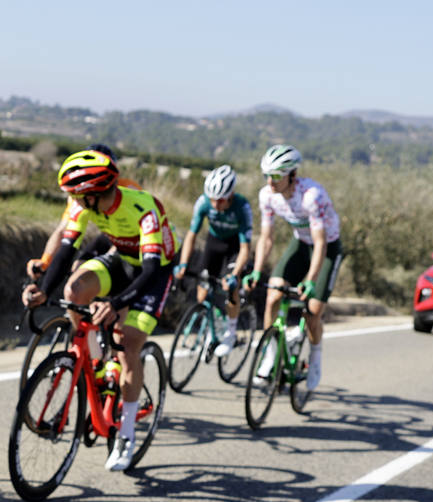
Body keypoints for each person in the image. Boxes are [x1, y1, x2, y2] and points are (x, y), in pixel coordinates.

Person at [21, 149, 176, 472]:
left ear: (92, 195)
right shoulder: (85, 206)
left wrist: (115, 304)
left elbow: (148, 271)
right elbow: (67, 250)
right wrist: (42, 291)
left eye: (77, 194)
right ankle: (94, 362)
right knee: (74, 290)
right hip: (121, 258)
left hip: (154, 272)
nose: (72, 200)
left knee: (129, 343)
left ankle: (127, 434)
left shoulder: (144, 207)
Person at [245, 144, 342, 390]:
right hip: (300, 244)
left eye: (276, 176)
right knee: (272, 296)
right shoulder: (267, 195)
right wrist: (257, 269)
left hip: (327, 248)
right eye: (266, 175)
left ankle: (316, 358)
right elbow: (266, 237)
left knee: (312, 312)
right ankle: (270, 357)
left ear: (292, 175)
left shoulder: (312, 196)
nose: (270, 181)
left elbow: (320, 242)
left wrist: (310, 279)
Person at [24, 143, 141, 283]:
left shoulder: (128, 188)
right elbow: (62, 231)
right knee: (77, 269)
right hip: (106, 236)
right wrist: (45, 261)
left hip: (131, 241)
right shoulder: (80, 196)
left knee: (105, 269)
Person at [173, 164, 253, 357]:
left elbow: (245, 248)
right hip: (214, 243)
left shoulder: (242, 207)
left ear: (231, 194)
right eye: (213, 200)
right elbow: (191, 235)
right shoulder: (203, 203)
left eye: (221, 200)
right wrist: (183, 263)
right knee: (202, 292)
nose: (216, 205)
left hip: (234, 247)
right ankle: (213, 329)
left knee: (231, 287)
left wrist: (234, 275)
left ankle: (231, 333)